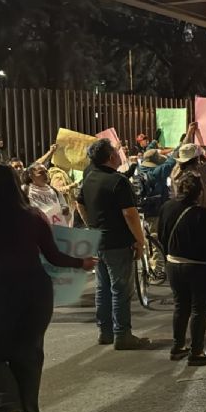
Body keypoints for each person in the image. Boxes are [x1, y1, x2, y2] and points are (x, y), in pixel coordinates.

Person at [0, 164, 96, 412]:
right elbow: (54, 255)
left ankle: (10, 411)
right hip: (35, 291)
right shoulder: (33, 216)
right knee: (28, 354)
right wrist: (81, 263)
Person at [76, 138, 150, 350]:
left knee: (103, 288)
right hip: (118, 242)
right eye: (117, 152)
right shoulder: (118, 181)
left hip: (98, 240)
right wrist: (140, 240)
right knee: (120, 289)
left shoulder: (89, 178)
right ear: (111, 157)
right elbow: (130, 214)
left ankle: (105, 332)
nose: (119, 155)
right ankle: (122, 334)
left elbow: (78, 202)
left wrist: (92, 224)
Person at [159, 172, 206, 366]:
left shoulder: (166, 207)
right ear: (199, 193)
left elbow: (162, 234)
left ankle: (178, 346)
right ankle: (197, 351)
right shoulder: (202, 213)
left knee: (181, 306)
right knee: (199, 309)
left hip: (173, 263)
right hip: (199, 267)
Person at [133, 146, 179, 235]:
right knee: (155, 239)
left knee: (149, 237)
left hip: (147, 210)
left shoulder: (141, 170)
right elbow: (171, 161)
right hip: (156, 211)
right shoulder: (157, 172)